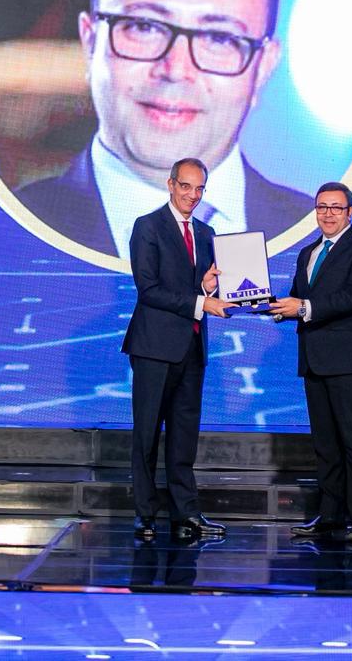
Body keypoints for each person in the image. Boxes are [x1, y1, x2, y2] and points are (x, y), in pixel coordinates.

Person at [16, 0, 309, 259]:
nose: (176, 69)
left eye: (219, 37)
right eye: (144, 27)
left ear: (263, 68)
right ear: (90, 42)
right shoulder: (3, 236)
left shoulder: (323, 236)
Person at [123, 157, 235, 541]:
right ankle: (145, 514)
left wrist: (206, 288)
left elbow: (194, 287)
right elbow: (149, 289)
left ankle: (186, 514)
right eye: (186, 186)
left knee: (184, 435)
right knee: (147, 434)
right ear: (171, 185)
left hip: (191, 346)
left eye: (199, 188)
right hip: (154, 347)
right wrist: (203, 302)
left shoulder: (206, 232)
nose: (193, 195)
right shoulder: (148, 226)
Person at [270, 182, 352, 543]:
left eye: (336, 207)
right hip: (314, 359)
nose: (328, 214)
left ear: (350, 212)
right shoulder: (307, 252)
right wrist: (268, 305)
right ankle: (330, 515)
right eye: (322, 207)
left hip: (349, 360)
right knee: (325, 444)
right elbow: (297, 298)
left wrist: (302, 307)